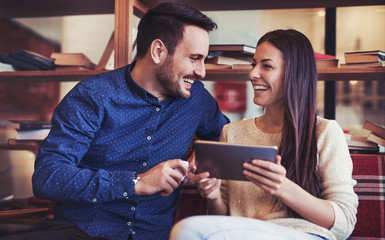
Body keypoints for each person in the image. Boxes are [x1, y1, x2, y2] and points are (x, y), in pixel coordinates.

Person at [1, 2, 229, 240]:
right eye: (194, 58)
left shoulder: (197, 99)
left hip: (153, 234)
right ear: (158, 51)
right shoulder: (93, 96)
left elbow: (225, 134)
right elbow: (48, 177)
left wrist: (206, 154)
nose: (202, 71)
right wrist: (135, 183)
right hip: (81, 230)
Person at [170, 29, 358, 240]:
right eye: (254, 64)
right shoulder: (232, 132)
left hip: (305, 235)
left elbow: (344, 223)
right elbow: (221, 220)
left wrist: (283, 187)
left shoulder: (324, 132)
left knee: (188, 230)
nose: (253, 74)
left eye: (266, 66)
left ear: (293, 73)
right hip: (244, 234)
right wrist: (213, 196)